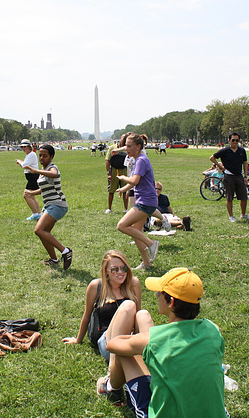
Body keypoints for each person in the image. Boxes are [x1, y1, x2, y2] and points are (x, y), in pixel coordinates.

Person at [99, 268, 227, 417]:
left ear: (171, 302)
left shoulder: (154, 340)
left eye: (160, 292)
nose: (157, 295)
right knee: (142, 317)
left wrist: (139, 339)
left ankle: (110, 388)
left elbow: (112, 345)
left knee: (124, 354)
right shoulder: (213, 330)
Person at [62, 250, 141, 365]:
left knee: (143, 315)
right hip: (107, 340)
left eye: (124, 268)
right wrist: (78, 340)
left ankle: (140, 350)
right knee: (129, 305)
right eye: (115, 269)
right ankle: (119, 363)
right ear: (106, 271)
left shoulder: (133, 284)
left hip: (129, 337)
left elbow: (138, 315)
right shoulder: (97, 287)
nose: (120, 272)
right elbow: (87, 315)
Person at [23, 144, 72, 270]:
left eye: (45, 155)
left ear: (51, 156)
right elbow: (43, 189)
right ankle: (54, 259)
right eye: (40, 155)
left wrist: (35, 171)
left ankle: (65, 251)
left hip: (57, 204)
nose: (41, 158)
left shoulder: (52, 168)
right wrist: (32, 193)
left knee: (38, 230)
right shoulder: (43, 171)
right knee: (44, 233)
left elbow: (54, 174)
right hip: (49, 205)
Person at [116, 133, 160, 270]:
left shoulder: (141, 160)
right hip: (146, 200)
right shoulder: (138, 159)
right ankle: (147, 263)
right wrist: (123, 189)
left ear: (138, 146)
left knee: (122, 225)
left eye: (129, 146)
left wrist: (123, 177)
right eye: (126, 146)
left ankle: (151, 243)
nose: (126, 149)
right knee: (135, 231)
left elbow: (134, 180)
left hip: (146, 201)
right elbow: (136, 182)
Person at [210, 132, 249, 222]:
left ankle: (243, 214)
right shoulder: (224, 151)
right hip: (228, 176)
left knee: (243, 196)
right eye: (233, 140)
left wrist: (245, 176)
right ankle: (231, 216)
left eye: (237, 140)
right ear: (229, 140)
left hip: (239, 176)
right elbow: (212, 158)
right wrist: (220, 167)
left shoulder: (242, 151)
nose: (235, 142)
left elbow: (245, 163)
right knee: (229, 197)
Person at [15, 139, 41, 220]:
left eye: (24, 146)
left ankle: (35, 214)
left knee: (27, 195)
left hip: (33, 177)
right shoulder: (30, 154)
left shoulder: (31, 155)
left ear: (29, 147)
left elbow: (24, 165)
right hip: (32, 177)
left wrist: (19, 161)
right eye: (22, 147)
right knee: (31, 196)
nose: (23, 148)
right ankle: (38, 213)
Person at [105, 137, 129, 214]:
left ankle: (126, 208)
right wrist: (109, 173)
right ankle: (109, 208)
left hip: (124, 170)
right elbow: (107, 160)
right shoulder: (112, 147)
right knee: (111, 190)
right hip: (114, 170)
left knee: (125, 190)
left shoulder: (127, 149)